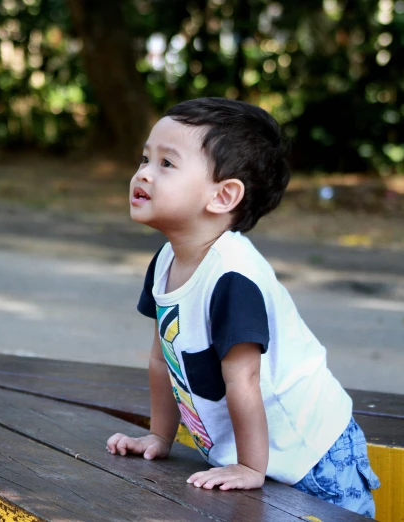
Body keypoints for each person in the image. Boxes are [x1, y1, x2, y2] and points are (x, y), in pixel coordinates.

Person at [105, 97, 380, 518]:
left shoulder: (232, 276)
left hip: (310, 454)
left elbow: (245, 377)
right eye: (145, 158)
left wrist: (251, 466)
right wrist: (160, 437)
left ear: (224, 195)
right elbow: (163, 359)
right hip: (257, 456)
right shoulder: (166, 261)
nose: (142, 172)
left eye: (167, 164)